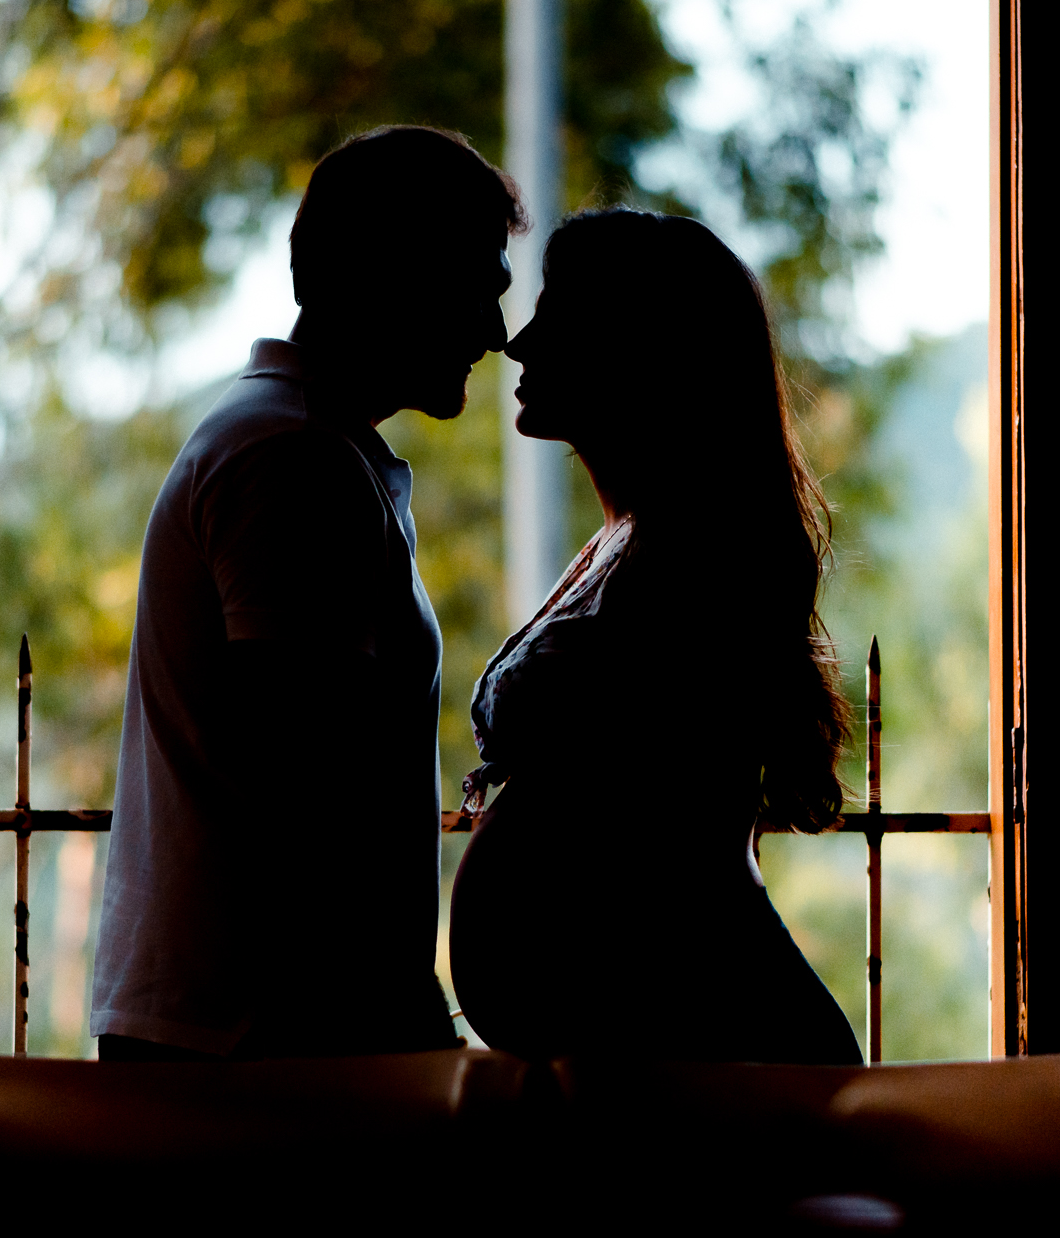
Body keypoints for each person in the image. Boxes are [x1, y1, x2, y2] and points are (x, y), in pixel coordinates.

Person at [91, 127, 524, 1061]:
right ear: (392, 276)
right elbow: (307, 802)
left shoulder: (295, 443)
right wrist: (412, 1029)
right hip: (260, 1041)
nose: (496, 334)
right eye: (477, 287)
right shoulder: (293, 461)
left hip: (251, 1026)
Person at [450, 208, 864, 1064]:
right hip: (646, 1041)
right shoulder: (632, 543)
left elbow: (669, 836)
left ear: (636, 354)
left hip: (705, 1038)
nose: (520, 345)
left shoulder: (695, 566)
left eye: (556, 319)